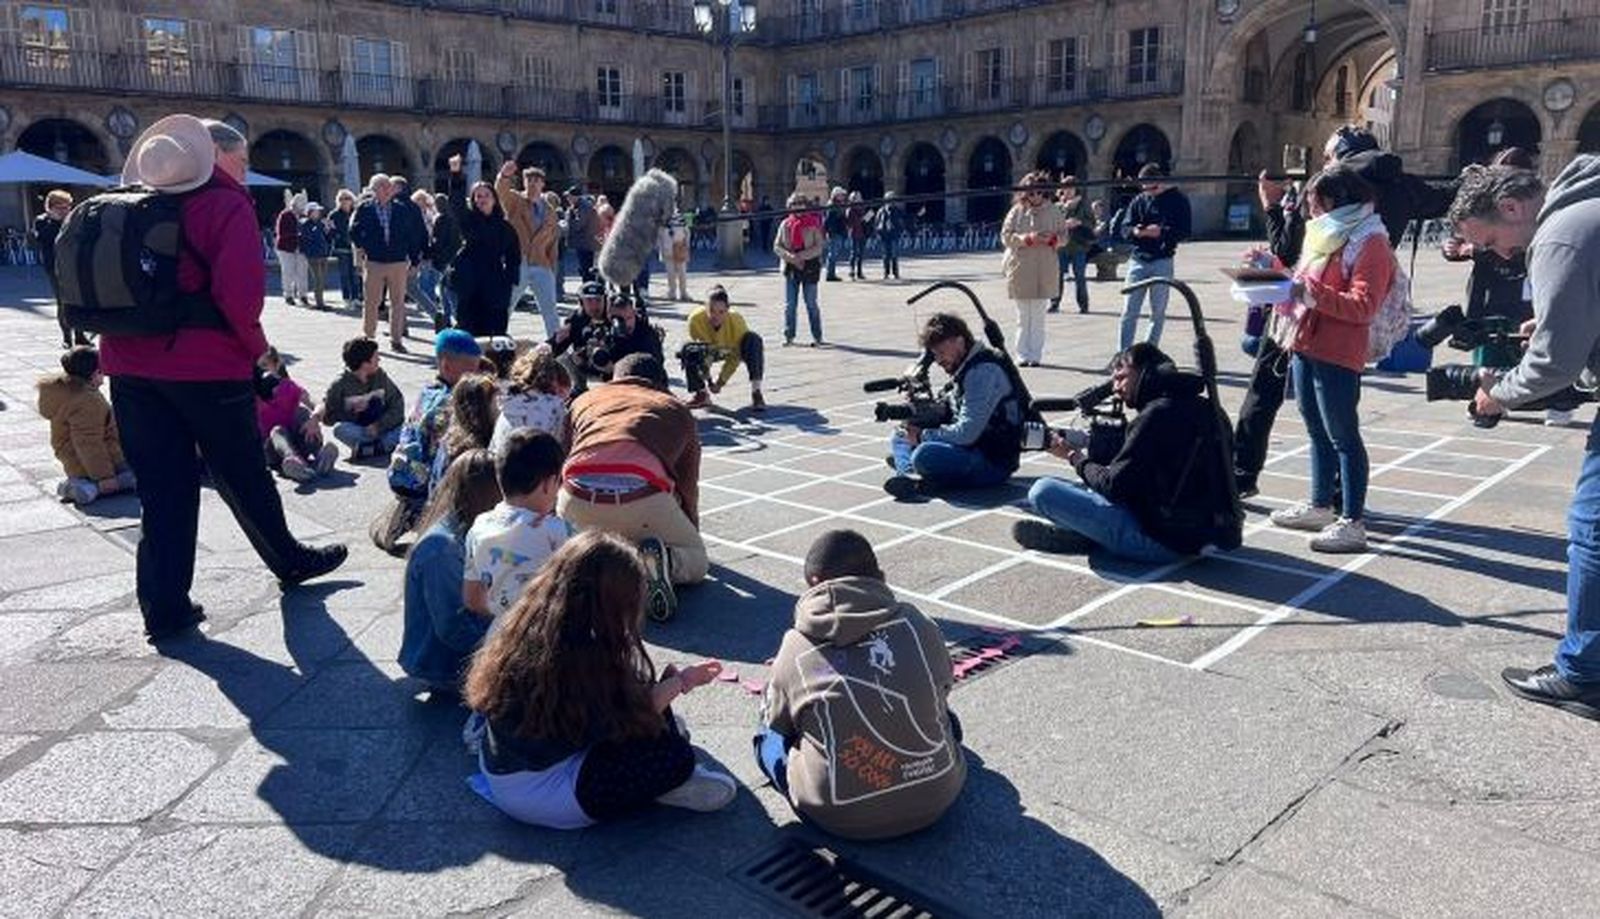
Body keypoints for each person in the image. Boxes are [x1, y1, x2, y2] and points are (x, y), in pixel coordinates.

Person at [104, 114, 346, 642]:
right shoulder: (225, 203)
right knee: (243, 472)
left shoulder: (133, 203)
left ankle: (163, 607)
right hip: (205, 369)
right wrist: (262, 355)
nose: (244, 171)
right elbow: (239, 301)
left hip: (127, 368)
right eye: (242, 161)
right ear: (217, 156)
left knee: (163, 489)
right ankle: (289, 559)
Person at [1455, 157, 1600, 720]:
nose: (1499, 255)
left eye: (1491, 238)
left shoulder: (1560, 236)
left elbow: (1552, 369)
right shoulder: (1585, 210)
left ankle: (1584, 674)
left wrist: (1498, 395)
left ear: (1513, 208)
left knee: (1591, 530)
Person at [462, 531, 736, 828]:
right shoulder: (582, 653)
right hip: (546, 793)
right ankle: (669, 787)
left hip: (504, 769)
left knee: (657, 717)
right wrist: (679, 684)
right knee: (675, 756)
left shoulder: (527, 621)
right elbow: (626, 720)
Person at [756, 529, 965, 840]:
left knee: (767, 735)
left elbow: (782, 724)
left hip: (840, 816)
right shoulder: (918, 623)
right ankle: (922, 771)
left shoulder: (795, 647)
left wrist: (782, 682)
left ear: (814, 584)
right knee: (947, 720)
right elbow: (945, 686)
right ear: (879, 575)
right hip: (939, 796)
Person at [1015, 343, 1240, 562]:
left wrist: (1073, 456)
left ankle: (1092, 537)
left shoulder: (1156, 415)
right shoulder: (1211, 409)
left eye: (1121, 377)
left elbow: (1114, 486)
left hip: (1161, 542)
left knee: (1043, 490)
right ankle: (1093, 535)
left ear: (1145, 372)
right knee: (1092, 484)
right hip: (1206, 535)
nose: (1115, 387)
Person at [1267, 165, 1393, 554]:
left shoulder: (1369, 240)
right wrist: (1271, 270)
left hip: (1339, 350)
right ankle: (1320, 504)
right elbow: (1302, 283)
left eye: (1312, 200)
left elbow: (1364, 306)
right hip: (1305, 341)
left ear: (1335, 200)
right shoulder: (1325, 234)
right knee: (1315, 429)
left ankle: (1352, 521)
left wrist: (1309, 291)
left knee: (1343, 435)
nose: (1308, 209)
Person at [557, 353, 705, 619]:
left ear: (616, 377)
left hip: (576, 495)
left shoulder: (583, 400)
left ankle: (589, 566)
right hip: (641, 498)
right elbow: (687, 484)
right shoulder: (675, 409)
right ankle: (660, 564)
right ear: (660, 382)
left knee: (590, 540)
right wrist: (689, 529)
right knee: (697, 560)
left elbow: (563, 454)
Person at [884, 312, 1022, 500]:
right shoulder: (963, 367)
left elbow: (966, 432)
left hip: (990, 460)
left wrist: (923, 435)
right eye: (935, 354)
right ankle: (912, 474)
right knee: (900, 434)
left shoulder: (982, 373)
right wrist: (919, 411)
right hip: (968, 448)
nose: (939, 360)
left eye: (941, 352)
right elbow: (949, 409)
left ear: (959, 341)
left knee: (924, 454)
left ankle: (912, 469)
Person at [401, 449, 501, 691]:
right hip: (443, 664)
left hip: (463, 646)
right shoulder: (441, 548)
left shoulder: (464, 528)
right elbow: (454, 628)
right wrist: (507, 643)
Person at [378, 329, 485, 553]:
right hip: (424, 481)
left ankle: (407, 513)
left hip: (404, 470)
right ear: (447, 366)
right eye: (472, 368)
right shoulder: (448, 403)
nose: (477, 374)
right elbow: (445, 452)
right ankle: (421, 519)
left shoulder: (428, 391)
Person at [463, 429, 569, 617]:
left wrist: (504, 613)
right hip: (543, 633)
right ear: (548, 483)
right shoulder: (556, 531)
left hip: (500, 633)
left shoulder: (479, 526)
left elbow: (472, 598)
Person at [37, 345, 135, 505]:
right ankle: (88, 487)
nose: (104, 378)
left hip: (74, 461)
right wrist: (105, 477)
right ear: (95, 373)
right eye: (102, 372)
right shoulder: (87, 401)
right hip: (94, 463)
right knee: (142, 476)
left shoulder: (67, 391)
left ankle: (81, 483)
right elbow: (88, 442)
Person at [1117, 164, 1192, 352]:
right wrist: (1136, 232)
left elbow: (1184, 231)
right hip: (1138, 259)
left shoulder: (1178, 200)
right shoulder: (1139, 200)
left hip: (1162, 259)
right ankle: (1123, 352)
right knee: (1129, 310)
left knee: (1157, 311)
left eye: (1152, 188)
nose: (1148, 193)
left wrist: (1161, 233)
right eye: (1144, 189)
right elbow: (1124, 228)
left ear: (1160, 182)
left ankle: (1149, 351)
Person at [351, 173, 428, 353]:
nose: (387, 190)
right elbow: (353, 231)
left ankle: (396, 339)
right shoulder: (365, 208)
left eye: (389, 186)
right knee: (372, 301)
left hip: (398, 262)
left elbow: (411, 235)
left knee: (398, 302)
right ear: (374, 190)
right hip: (374, 262)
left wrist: (414, 259)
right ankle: (368, 338)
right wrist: (365, 245)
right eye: (383, 186)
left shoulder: (401, 209)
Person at [1001, 171, 1066, 367]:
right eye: (1031, 193)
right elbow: (1005, 236)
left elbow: (1064, 236)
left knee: (1038, 316)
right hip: (1021, 268)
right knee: (1023, 316)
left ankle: (1035, 355)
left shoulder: (1055, 211)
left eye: (1039, 192)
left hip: (1044, 267)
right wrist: (1026, 239)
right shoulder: (1016, 211)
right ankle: (1022, 354)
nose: (1035, 196)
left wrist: (1052, 239)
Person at [450, 178, 521, 337]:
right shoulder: (468, 220)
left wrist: (510, 279)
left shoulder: (505, 227)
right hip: (469, 279)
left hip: (494, 280)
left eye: (486, 195)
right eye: (478, 196)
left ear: (494, 199)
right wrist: (456, 176)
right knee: (468, 326)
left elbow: (514, 255)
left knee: (495, 326)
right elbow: (456, 205)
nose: (482, 199)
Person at [255, 347, 337, 484]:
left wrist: (314, 419)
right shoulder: (253, 394)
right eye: (258, 369)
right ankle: (292, 462)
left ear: (277, 365)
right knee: (278, 430)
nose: (263, 372)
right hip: (272, 450)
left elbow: (318, 404)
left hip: (299, 442)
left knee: (303, 415)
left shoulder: (288, 387)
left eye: (265, 366)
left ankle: (321, 457)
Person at [497, 162, 561, 337]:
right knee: (507, 305)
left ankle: (557, 347)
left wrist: (552, 268)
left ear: (543, 184)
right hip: (519, 262)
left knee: (550, 310)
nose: (533, 183)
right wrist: (504, 176)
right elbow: (500, 192)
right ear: (524, 183)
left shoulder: (550, 211)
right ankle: (498, 339)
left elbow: (553, 242)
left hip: (542, 263)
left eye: (536, 180)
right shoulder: (516, 201)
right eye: (529, 180)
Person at [681, 285, 765, 412]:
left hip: (729, 349)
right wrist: (709, 381)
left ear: (727, 310)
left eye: (721, 312)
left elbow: (735, 357)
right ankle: (701, 394)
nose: (716, 316)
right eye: (712, 311)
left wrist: (720, 382)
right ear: (705, 308)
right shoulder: (695, 320)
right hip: (709, 350)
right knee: (689, 349)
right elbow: (703, 354)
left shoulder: (736, 320)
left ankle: (756, 391)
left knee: (754, 340)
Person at [319, 336, 405, 460]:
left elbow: (398, 404)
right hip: (363, 431)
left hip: (384, 428)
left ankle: (371, 449)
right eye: (376, 357)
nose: (379, 360)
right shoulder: (340, 384)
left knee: (407, 429)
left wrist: (379, 425)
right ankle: (381, 447)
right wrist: (351, 413)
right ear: (365, 364)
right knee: (340, 430)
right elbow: (329, 418)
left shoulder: (380, 376)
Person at [491, 348, 572, 455]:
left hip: (501, 464)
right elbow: (562, 448)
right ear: (556, 385)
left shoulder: (508, 402)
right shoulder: (555, 405)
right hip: (537, 466)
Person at [430, 372, 500, 491]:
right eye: (496, 404)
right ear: (480, 410)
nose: (501, 409)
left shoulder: (450, 440)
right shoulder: (474, 457)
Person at [32, 188, 83, 347]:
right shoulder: (42, 221)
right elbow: (44, 240)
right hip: (55, 266)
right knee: (63, 301)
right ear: (50, 207)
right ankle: (67, 337)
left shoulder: (73, 220)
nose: (65, 210)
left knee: (79, 299)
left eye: (68, 207)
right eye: (61, 207)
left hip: (75, 265)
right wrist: (55, 222)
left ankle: (80, 335)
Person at [774, 191, 825, 347]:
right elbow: (776, 246)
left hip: (809, 267)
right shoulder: (785, 224)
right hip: (790, 268)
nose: (797, 207)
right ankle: (789, 335)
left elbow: (819, 247)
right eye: (794, 204)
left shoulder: (813, 223)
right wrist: (792, 258)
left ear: (805, 205)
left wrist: (801, 256)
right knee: (790, 305)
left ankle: (817, 336)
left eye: (800, 203)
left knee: (811, 303)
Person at [545, 278, 610, 384]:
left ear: (605, 301)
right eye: (589, 300)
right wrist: (554, 342)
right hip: (585, 365)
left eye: (598, 300)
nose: (594, 306)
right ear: (581, 302)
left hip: (611, 366)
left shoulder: (613, 317)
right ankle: (576, 389)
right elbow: (557, 344)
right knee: (563, 359)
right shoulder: (576, 319)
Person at [590, 292, 664, 380]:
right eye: (620, 319)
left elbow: (652, 367)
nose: (627, 324)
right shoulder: (604, 332)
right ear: (609, 317)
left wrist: (615, 369)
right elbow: (593, 368)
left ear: (634, 313)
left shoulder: (646, 333)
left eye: (629, 318)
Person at [1051, 177, 1093, 314]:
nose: (1068, 191)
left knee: (1079, 276)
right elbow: (1052, 224)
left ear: (1076, 189)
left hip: (1078, 245)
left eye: (1071, 188)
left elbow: (1092, 223)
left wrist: (1079, 222)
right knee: (1057, 275)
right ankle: (1054, 303)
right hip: (1061, 246)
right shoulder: (1057, 206)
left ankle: (1083, 305)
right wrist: (1064, 222)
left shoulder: (1083, 204)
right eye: (1065, 188)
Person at [330, 189, 363, 308]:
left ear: (352, 200)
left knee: (355, 274)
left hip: (355, 247)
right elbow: (331, 232)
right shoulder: (334, 215)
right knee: (344, 274)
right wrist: (338, 237)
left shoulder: (356, 213)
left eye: (347, 198)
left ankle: (356, 297)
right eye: (341, 199)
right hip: (341, 248)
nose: (344, 201)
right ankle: (346, 298)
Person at [274, 191, 307, 306]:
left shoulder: (304, 216)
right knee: (288, 272)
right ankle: (288, 295)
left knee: (302, 272)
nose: (302, 208)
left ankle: (303, 295)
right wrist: (297, 234)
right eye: (300, 205)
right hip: (285, 248)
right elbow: (280, 232)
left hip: (301, 248)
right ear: (295, 205)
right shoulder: (285, 215)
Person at [297, 202, 332, 310]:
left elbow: (328, 237)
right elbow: (307, 237)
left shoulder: (321, 223)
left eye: (318, 211)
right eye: (315, 211)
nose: (318, 213)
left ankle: (321, 301)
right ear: (310, 213)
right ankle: (319, 303)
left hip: (323, 253)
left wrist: (330, 229)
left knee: (322, 279)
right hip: (313, 255)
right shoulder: (305, 224)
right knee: (318, 279)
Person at [564, 185, 602, 279]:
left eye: (569, 196)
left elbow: (579, 224)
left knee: (586, 267)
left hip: (586, 243)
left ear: (575, 196)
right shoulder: (579, 206)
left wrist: (569, 219)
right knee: (584, 267)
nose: (567, 198)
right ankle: (587, 286)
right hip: (583, 242)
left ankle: (589, 288)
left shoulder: (584, 207)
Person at [658, 212, 691, 302]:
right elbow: (660, 235)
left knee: (680, 272)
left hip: (677, 247)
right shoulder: (663, 218)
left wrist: (686, 247)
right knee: (672, 273)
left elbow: (686, 232)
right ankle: (674, 292)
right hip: (670, 248)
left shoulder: (679, 217)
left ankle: (681, 292)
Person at [874, 191, 907, 280]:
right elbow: (877, 222)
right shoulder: (881, 210)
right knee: (885, 255)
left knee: (894, 254)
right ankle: (886, 273)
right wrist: (877, 232)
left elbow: (902, 222)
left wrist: (900, 231)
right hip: (884, 235)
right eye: (889, 199)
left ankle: (896, 273)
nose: (891, 201)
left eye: (892, 199)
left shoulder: (897, 210)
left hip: (894, 235)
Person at [822, 187, 848, 282]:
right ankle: (830, 274)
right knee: (832, 254)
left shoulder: (839, 205)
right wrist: (828, 232)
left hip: (838, 232)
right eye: (841, 194)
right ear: (836, 195)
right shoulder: (832, 206)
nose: (843, 196)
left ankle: (831, 273)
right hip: (834, 232)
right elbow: (827, 221)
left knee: (834, 254)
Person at [845, 191, 869, 280]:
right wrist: (861, 219)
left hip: (862, 233)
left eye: (859, 197)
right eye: (856, 197)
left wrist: (868, 217)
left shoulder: (862, 207)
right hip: (854, 233)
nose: (858, 198)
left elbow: (865, 221)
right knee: (854, 253)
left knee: (861, 254)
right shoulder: (850, 209)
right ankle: (852, 271)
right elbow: (850, 222)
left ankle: (859, 272)